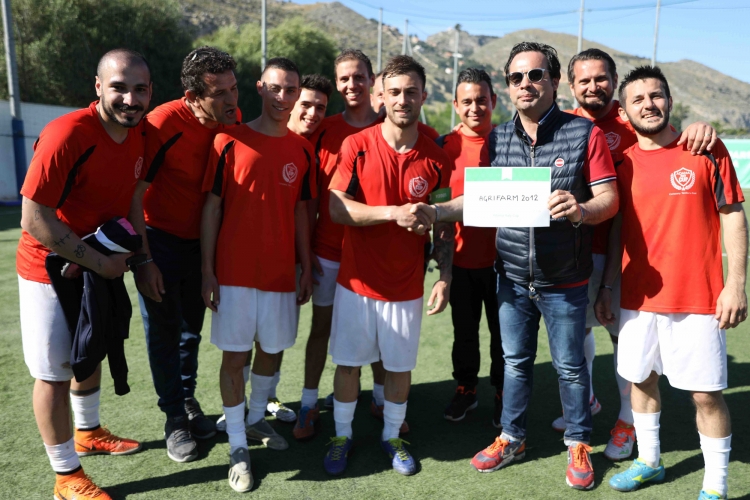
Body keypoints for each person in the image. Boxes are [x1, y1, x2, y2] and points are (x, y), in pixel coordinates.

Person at [468, 42, 618, 491]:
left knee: (571, 367)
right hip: (512, 277)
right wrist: (436, 213)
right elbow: (482, 202)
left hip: (565, 279)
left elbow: (609, 200)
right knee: (515, 363)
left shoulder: (583, 133)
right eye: (516, 78)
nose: (525, 84)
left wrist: (581, 210)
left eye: (535, 75)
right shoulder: (497, 138)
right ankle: (511, 436)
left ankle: (578, 442)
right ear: (508, 87)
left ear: (554, 81)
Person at [559, 48, 718, 461]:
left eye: (601, 78)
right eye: (584, 80)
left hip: (625, 256)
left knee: (623, 343)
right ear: (571, 86)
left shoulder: (633, 123)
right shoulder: (563, 125)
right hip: (572, 251)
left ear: (614, 83)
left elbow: (673, 144)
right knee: (577, 334)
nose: (592, 86)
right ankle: (589, 401)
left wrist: (700, 128)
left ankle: (626, 422)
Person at [596, 65, 746, 500]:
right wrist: (608, 287)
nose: (649, 104)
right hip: (637, 300)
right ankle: (649, 462)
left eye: (656, 95)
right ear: (623, 113)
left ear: (670, 101)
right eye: (638, 99)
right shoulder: (620, 162)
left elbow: (733, 213)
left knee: (706, 395)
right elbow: (617, 228)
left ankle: (715, 486)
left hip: (698, 299)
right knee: (641, 380)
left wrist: (735, 285)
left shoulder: (706, 148)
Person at [17, 49, 150, 500]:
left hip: (95, 263)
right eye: (119, 87)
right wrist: (99, 262)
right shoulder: (66, 133)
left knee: (88, 352)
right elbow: (34, 217)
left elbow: (132, 199)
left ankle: (88, 432)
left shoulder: (138, 133)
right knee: (54, 373)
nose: (130, 98)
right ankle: (65, 476)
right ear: (98, 87)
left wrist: (136, 257)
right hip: (47, 270)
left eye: (140, 89)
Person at [323, 55, 453, 477]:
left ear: (423, 96)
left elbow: (444, 220)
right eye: (394, 92)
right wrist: (391, 213)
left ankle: (393, 436)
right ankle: (341, 435)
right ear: (381, 95)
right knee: (348, 364)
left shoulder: (435, 156)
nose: (402, 100)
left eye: (410, 92)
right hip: (356, 282)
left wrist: (445, 275)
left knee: (399, 368)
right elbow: (336, 207)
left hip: (406, 285)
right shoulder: (356, 146)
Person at [200, 57, 315, 493]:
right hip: (232, 274)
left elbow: (304, 213)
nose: (283, 98)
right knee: (234, 359)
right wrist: (207, 269)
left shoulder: (302, 150)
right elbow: (211, 207)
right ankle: (237, 447)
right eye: (276, 88)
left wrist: (304, 266)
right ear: (260, 88)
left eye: (291, 90)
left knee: (271, 352)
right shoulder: (226, 141)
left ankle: (253, 422)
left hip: (282, 276)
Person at [129, 46, 238, 463]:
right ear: (192, 97)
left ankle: (187, 399)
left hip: (204, 245)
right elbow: (133, 197)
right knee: (163, 331)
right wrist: (143, 259)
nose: (232, 100)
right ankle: (174, 417)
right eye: (220, 94)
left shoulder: (234, 120)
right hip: (160, 242)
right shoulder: (160, 124)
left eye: (234, 88)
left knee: (191, 330)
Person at [292, 49, 405, 441]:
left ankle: (378, 398)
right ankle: (308, 404)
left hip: (374, 254)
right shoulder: (323, 128)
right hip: (328, 251)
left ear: (372, 80)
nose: (351, 85)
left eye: (359, 77)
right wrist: (305, 257)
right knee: (320, 329)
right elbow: (306, 199)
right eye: (344, 78)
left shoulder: (393, 126)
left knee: (377, 335)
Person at [435, 68, 505, 426]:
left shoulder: (511, 143)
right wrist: (442, 266)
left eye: (482, 100)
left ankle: (502, 391)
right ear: (456, 105)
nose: (475, 107)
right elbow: (441, 210)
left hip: (505, 264)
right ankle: (466, 388)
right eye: (467, 101)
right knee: (464, 333)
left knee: (503, 336)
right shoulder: (444, 148)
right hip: (462, 262)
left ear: (494, 101)